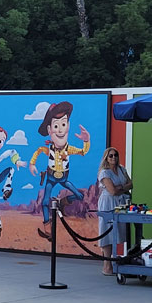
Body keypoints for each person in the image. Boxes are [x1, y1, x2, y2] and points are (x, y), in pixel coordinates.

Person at [29, 101, 91, 239]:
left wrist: (86, 141)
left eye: (63, 124)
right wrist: (32, 163)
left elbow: (83, 152)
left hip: (64, 178)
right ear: (50, 130)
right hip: (51, 178)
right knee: (45, 202)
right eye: (56, 126)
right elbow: (39, 150)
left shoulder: (69, 149)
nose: (60, 130)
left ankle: (64, 202)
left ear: (68, 125)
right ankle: (47, 229)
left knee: (80, 196)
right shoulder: (49, 149)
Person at [97, 146, 132, 275]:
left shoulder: (122, 169)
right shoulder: (104, 173)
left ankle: (120, 261)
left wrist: (120, 187)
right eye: (110, 155)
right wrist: (122, 188)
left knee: (120, 231)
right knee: (107, 232)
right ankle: (107, 265)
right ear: (106, 157)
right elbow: (112, 191)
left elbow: (131, 184)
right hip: (108, 203)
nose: (113, 158)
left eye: (115, 155)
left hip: (121, 203)